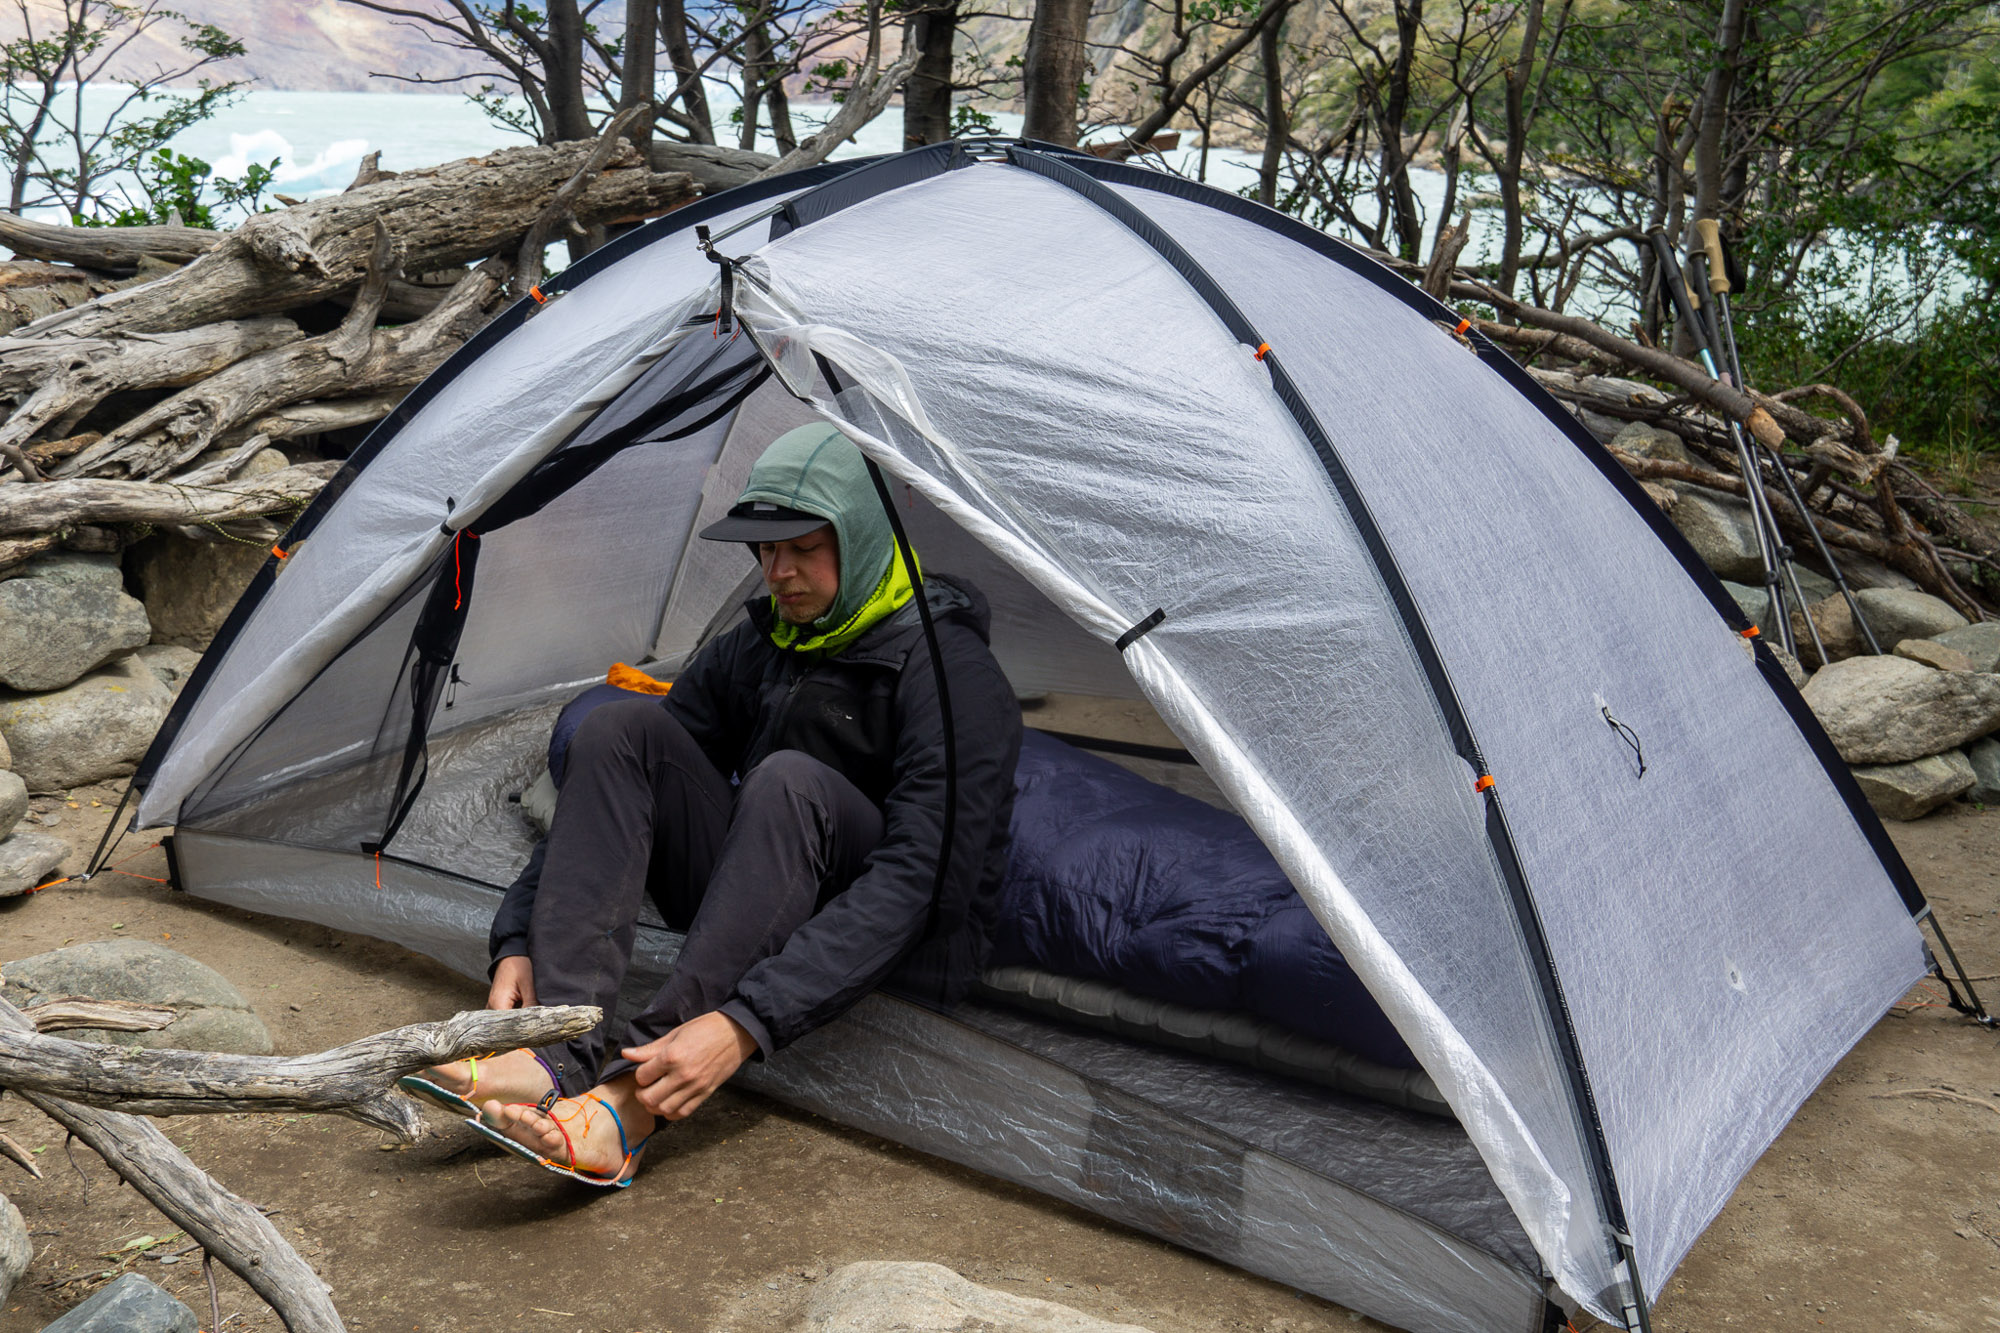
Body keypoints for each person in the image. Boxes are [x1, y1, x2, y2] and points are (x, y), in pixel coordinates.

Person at [405, 422, 1023, 1186]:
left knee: (788, 779)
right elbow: (619, 782)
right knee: (622, 727)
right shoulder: (765, 641)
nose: (780, 573)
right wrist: (521, 934)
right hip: (764, 892)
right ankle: (555, 1050)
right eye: (765, 551)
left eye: (803, 547)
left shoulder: (949, 670)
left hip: (897, 938)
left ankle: (630, 1102)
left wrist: (741, 1024)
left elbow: (925, 882)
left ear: (861, 537)